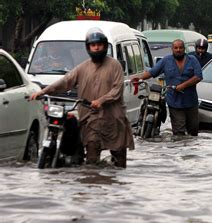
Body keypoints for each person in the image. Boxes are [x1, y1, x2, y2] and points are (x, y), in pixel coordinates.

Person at [30, 28, 134, 168]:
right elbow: (65, 81)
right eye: (93, 45)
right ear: (88, 47)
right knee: (91, 159)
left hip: (113, 119)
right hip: (90, 119)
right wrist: (43, 92)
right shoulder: (82, 68)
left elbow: (117, 90)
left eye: (99, 45)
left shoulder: (115, 65)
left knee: (119, 159)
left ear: (104, 46)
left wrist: (101, 101)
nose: (96, 48)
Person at [132, 39, 202, 136]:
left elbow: (198, 76)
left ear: (184, 49)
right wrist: (139, 79)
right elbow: (152, 72)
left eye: (180, 48)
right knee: (179, 132)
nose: (178, 50)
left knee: (193, 131)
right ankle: (179, 150)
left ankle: (191, 150)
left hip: (190, 101)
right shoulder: (166, 60)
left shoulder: (192, 60)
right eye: (176, 48)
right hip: (174, 101)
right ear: (172, 49)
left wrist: (182, 86)